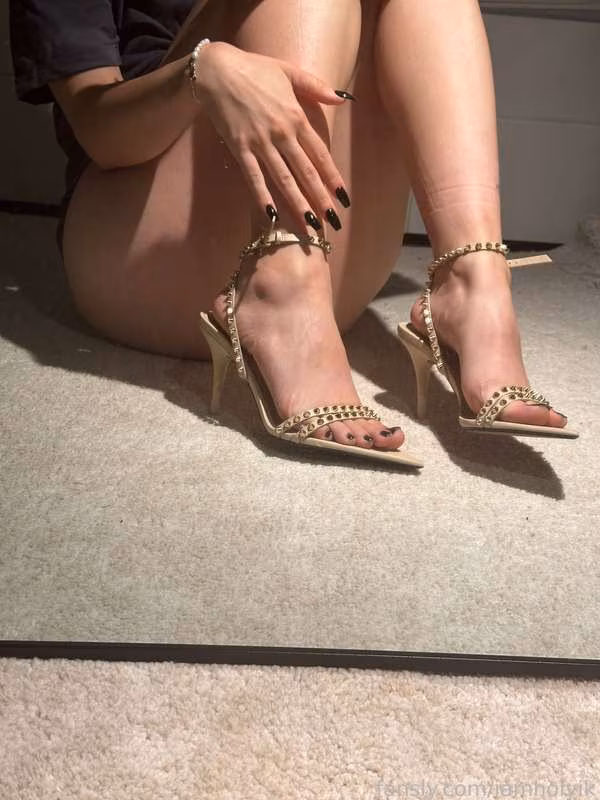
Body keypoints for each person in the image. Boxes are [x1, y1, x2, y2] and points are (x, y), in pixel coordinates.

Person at [9, 0, 575, 470]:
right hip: (140, 252)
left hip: (333, 256)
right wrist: (203, 71)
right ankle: (282, 283)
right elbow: (101, 135)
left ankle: (472, 284)